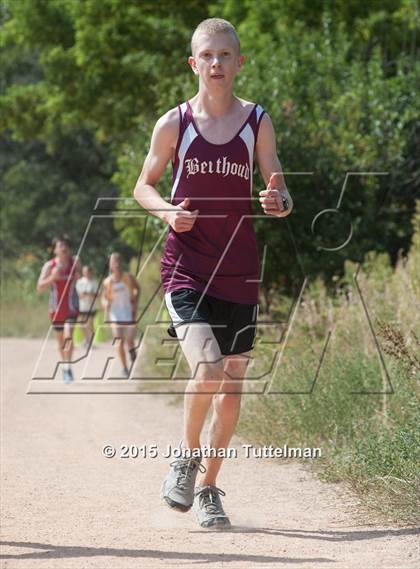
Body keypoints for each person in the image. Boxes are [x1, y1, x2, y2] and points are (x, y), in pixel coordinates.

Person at [133, 18, 293, 529]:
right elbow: (143, 185)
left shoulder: (257, 121)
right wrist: (165, 213)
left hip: (240, 271)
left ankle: (209, 489)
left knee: (232, 384)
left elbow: (280, 191)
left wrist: (277, 201)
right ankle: (185, 457)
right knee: (207, 369)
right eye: (208, 55)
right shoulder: (172, 124)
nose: (217, 63)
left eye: (226, 55)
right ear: (194, 63)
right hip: (186, 267)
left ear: (239, 62)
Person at [37, 236, 81, 383]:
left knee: (68, 336)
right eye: (60, 246)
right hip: (55, 309)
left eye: (65, 246)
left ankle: (68, 367)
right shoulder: (49, 266)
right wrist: (52, 277)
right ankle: (65, 367)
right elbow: (39, 288)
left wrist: (77, 274)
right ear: (55, 250)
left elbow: (80, 277)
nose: (63, 248)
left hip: (71, 307)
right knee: (60, 341)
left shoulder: (75, 262)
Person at [102, 252, 140, 378]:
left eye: (118, 261)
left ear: (122, 263)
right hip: (115, 314)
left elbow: (137, 289)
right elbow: (104, 298)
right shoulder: (108, 282)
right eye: (114, 262)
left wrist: (135, 302)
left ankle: (132, 351)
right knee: (119, 341)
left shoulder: (128, 277)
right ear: (110, 265)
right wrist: (105, 303)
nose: (116, 264)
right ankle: (124, 368)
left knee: (129, 340)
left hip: (128, 313)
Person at [76, 265, 99, 348]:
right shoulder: (80, 282)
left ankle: (91, 341)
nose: (86, 273)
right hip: (82, 306)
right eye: (85, 272)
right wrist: (89, 294)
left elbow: (97, 294)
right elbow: (80, 295)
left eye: (88, 272)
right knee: (81, 323)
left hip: (92, 307)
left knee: (90, 323)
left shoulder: (94, 282)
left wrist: (88, 294)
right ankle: (86, 339)